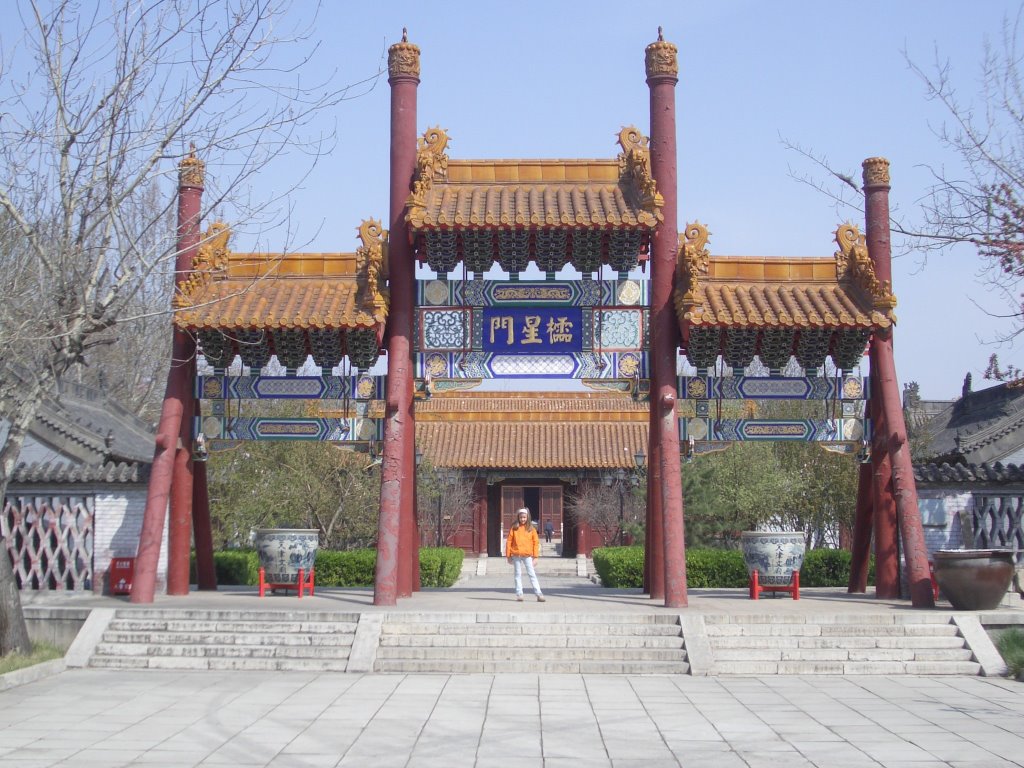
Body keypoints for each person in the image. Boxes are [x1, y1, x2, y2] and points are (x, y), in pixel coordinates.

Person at [506, 507, 545, 602]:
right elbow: (509, 541)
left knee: (532, 574)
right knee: (517, 575)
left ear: (527, 517)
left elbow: (536, 542)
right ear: (518, 518)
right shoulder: (514, 528)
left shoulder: (531, 529)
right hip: (516, 555)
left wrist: (535, 557)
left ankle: (538, 593)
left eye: (524, 517)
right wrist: (508, 556)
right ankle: (519, 594)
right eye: (521, 517)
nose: (523, 519)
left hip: (527, 555)